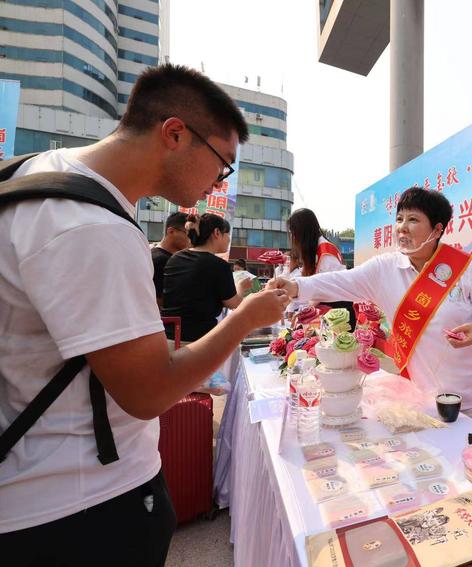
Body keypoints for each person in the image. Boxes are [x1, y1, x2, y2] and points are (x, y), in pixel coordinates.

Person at [0, 64, 289, 565]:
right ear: (175, 134)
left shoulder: (35, 175)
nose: (217, 183)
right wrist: (247, 318)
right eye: (222, 165)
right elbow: (149, 392)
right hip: (80, 506)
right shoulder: (92, 228)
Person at [275, 188, 472, 433]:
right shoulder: (384, 269)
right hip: (425, 398)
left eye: (413, 219)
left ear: (438, 229)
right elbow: (338, 282)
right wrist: (294, 286)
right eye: (399, 219)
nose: (402, 227)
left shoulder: (464, 267)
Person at [162, 213, 253, 342]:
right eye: (227, 234)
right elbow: (234, 303)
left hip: (168, 337)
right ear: (217, 233)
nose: (228, 239)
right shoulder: (218, 265)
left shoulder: (174, 259)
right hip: (197, 341)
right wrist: (241, 287)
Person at [287, 207, 354, 325]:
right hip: (329, 310)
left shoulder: (325, 252)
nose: (293, 238)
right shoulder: (315, 250)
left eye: (294, 232)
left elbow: (325, 289)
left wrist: (305, 312)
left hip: (339, 314)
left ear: (303, 231)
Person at [151, 211, 190, 308]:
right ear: (171, 231)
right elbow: (157, 300)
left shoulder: (154, 254)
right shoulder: (162, 260)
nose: (192, 239)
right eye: (189, 234)